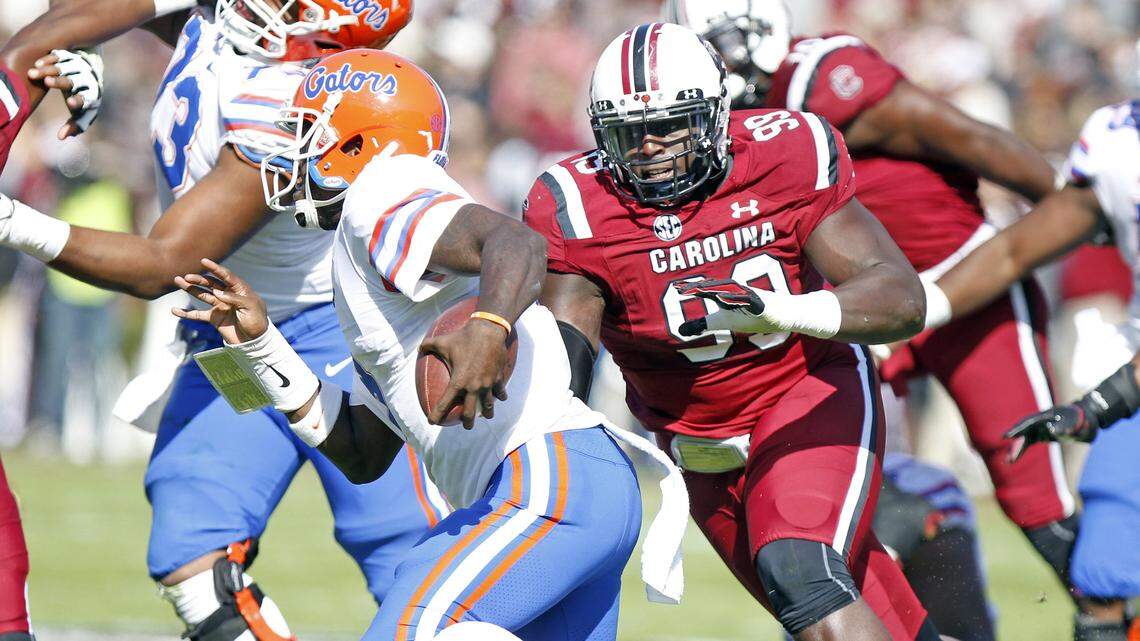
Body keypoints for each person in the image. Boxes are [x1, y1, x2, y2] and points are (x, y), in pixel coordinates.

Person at [180, 48, 684, 641]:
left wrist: (490, 328)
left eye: (307, 133)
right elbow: (363, 454)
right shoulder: (371, 256)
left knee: (413, 629)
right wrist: (263, 349)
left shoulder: (382, 188)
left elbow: (515, 243)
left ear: (356, 143)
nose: (294, 152)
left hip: (547, 480)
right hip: (568, 488)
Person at [0, 3, 447, 639]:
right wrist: (87, 55)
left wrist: (13, 221)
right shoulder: (231, 31)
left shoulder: (307, 105)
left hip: (336, 331)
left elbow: (164, 263)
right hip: (232, 330)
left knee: (411, 555)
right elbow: (75, 11)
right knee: (193, 558)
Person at [663, 1, 1097, 632]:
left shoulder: (821, 76)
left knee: (1035, 493)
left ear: (756, 34)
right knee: (820, 501)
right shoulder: (710, 126)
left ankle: (1115, 616)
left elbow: (970, 138)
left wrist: (1076, 203)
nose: (711, 74)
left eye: (717, 52)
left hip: (963, 290)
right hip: (852, 313)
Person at [526, 22, 936, 641]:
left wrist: (784, 311)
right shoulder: (580, 203)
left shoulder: (786, 152)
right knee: (844, 612)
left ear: (717, 115)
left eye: (670, 125)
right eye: (629, 132)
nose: (650, 147)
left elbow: (902, 298)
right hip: (697, 446)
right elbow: (565, 361)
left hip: (806, 393)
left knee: (802, 573)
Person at [922, 97, 1140, 639]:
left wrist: (1098, 405)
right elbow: (1013, 253)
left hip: (1131, 385)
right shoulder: (1120, 146)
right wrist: (911, 314)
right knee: (1102, 573)